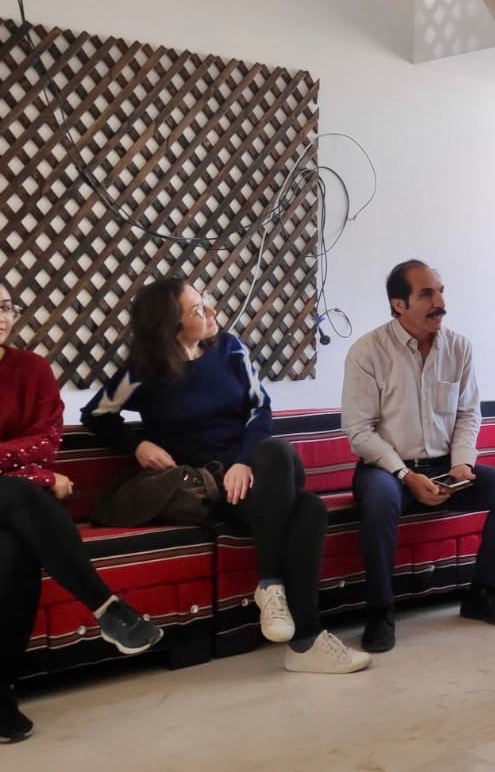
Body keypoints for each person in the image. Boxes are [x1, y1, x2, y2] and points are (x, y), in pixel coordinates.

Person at [82, 277, 369, 675]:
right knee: (310, 510)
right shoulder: (145, 372)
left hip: (255, 478)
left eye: (206, 302)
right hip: (211, 492)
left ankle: (270, 585)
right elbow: (96, 415)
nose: (212, 311)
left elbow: (260, 409)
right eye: (198, 309)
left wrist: (244, 462)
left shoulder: (231, 349)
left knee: (277, 453)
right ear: (172, 326)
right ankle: (306, 643)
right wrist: (137, 445)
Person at [0, 270, 163, 743]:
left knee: (14, 546)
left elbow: (44, 443)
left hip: (4, 507)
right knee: (25, 496)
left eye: (6, 306)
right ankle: (106, 606)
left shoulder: (31, 369)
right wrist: (37, 477)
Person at [343, 260, 495, 652]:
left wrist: (462, 462)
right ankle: (380, 612)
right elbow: (360, 432)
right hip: (387, 470)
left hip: (446, 467)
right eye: (427, 294)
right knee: (379, 501)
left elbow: (468, 414)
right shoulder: (367, 352)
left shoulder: (459, 347)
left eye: (441, 291)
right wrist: (405, 476)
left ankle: (484, 595)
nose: (440, 302)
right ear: (398, 304)